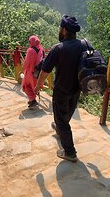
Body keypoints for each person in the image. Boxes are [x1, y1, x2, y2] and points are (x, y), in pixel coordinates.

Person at [34, 15, 83, 162]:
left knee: (62, 118)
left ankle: (70, 152)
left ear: (63, 30)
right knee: (66, 113)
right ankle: (59, 126)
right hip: (77, 88)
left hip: (62, 89)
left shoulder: (58, 48)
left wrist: (37, 87)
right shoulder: (84, 44)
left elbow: (44, 71)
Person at [21, 35, 45, 108]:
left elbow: (26, 63)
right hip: (38, 73)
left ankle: (32, 100)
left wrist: (22, 70)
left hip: (30, 73)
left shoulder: (30, 50)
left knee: (26, 86)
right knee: (34, 86)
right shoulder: (41, 49)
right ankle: (32, 100)